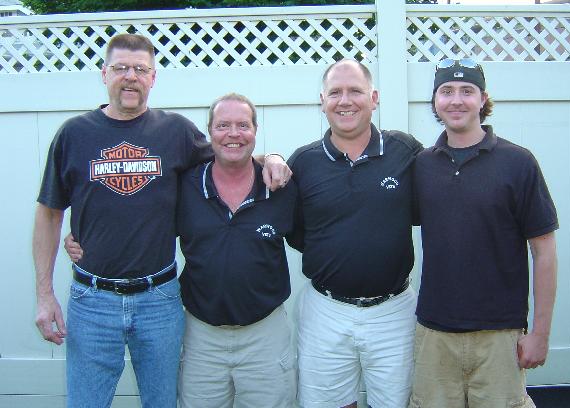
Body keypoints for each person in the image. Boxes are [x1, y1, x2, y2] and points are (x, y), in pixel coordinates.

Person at [33, 33, 290, 408]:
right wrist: (44, 295)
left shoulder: (175, 132)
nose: (130, 76)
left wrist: (272, 158)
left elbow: (231, 152)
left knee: (162, 402)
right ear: (104, 73)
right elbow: (49, 212)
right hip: (93, 300)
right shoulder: (74, 134)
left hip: (159, 299)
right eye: (121, 68)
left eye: (140, 69)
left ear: (153, 78)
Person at [409, 58, 558, 408]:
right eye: (446, 91)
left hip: (499, 335)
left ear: (483, 99)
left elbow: (544, 252)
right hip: (435, 333)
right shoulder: (422, 165)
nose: (456, 100)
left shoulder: (518, 162)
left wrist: (540, 334)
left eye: (467, 91)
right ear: (435, 101)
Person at [286, 59, 422, 408]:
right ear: (322, 101)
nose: (345, 101)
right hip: (325, 311)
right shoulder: (303, 162)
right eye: (335, 93)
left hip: (393, 311)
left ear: (374, 98)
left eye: (355, 91)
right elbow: (297, 233)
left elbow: (434, 207)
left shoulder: (405, 151)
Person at [176, 93, 297, 408]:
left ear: (255, 131)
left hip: (265, 336)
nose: (233, 134)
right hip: (202, 338)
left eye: (243, 125)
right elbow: (143, 228)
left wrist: (274, 157)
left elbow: (320, 235)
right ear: (209, 132)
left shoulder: (280, 187)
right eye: (223, 125)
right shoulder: (185, 187)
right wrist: (85, 241)